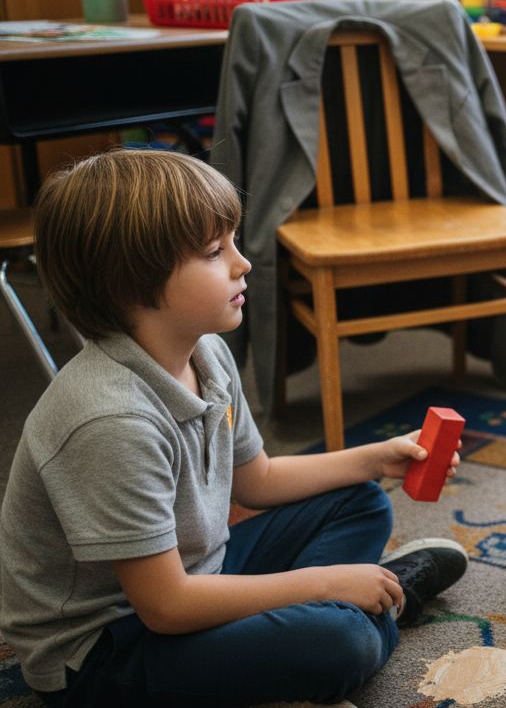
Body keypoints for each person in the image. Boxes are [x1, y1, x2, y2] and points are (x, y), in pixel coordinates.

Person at [0, 149, 469, 706]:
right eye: (213, 252)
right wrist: (327, 583)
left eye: (233, 243)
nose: (243, 263)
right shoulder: (110, 421)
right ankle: (379, 605)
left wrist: (374, 458)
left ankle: (342, 614)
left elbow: (257, 480)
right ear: (131, 284)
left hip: (200, 577)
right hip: (107, 649)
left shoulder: (208, 353)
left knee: (360, 500)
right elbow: (166, 607)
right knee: (343, 643)